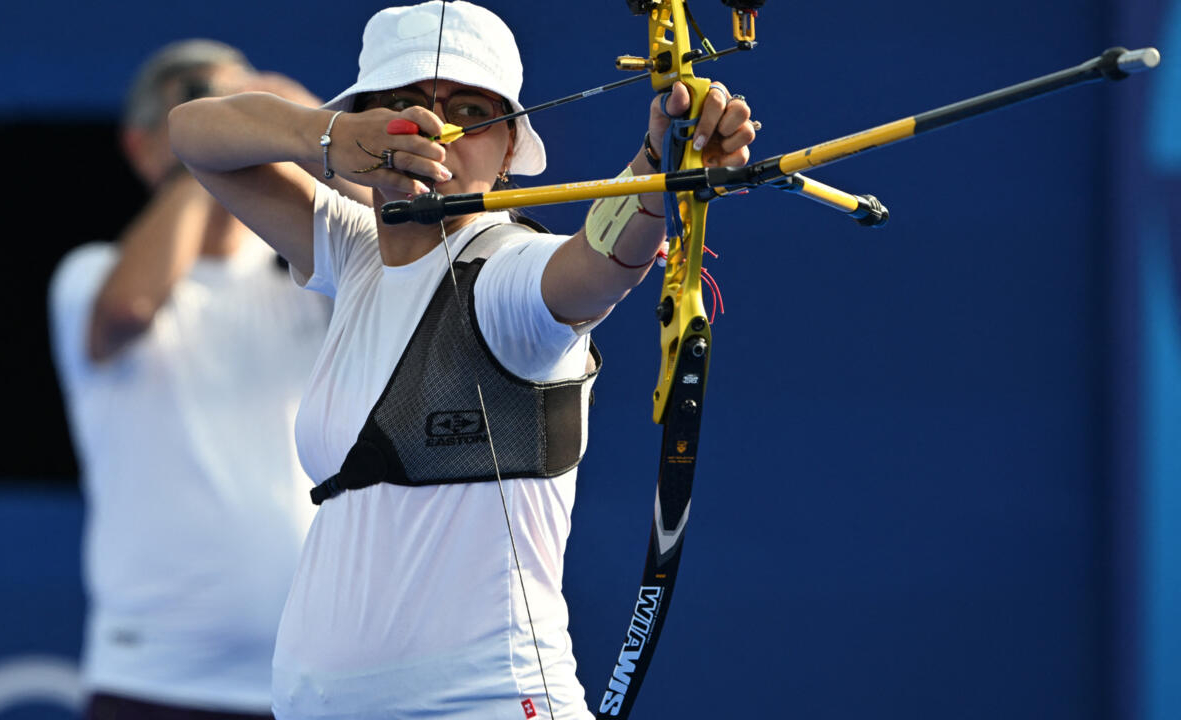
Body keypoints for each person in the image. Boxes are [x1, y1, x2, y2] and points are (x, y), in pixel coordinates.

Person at [168, 3, 756, 718]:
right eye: (405, 105)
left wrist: (657, 168)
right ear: (360, 124)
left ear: (510, 148)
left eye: (470, 111)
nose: (436, 129)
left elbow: (594, 264)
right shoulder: (351, 253)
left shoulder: (504, 277)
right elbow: (193, 134)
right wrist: (321, 138)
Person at [49, 39, 366, 719]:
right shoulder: (88, 276)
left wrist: (309, 130)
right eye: (196, 112)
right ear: (142, 148)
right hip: (151, 680)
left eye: (238, 112)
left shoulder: (318, 282)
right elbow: (128, 311)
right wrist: (209, 147)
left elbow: (410, 258)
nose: (230, 126)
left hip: (308, 676)